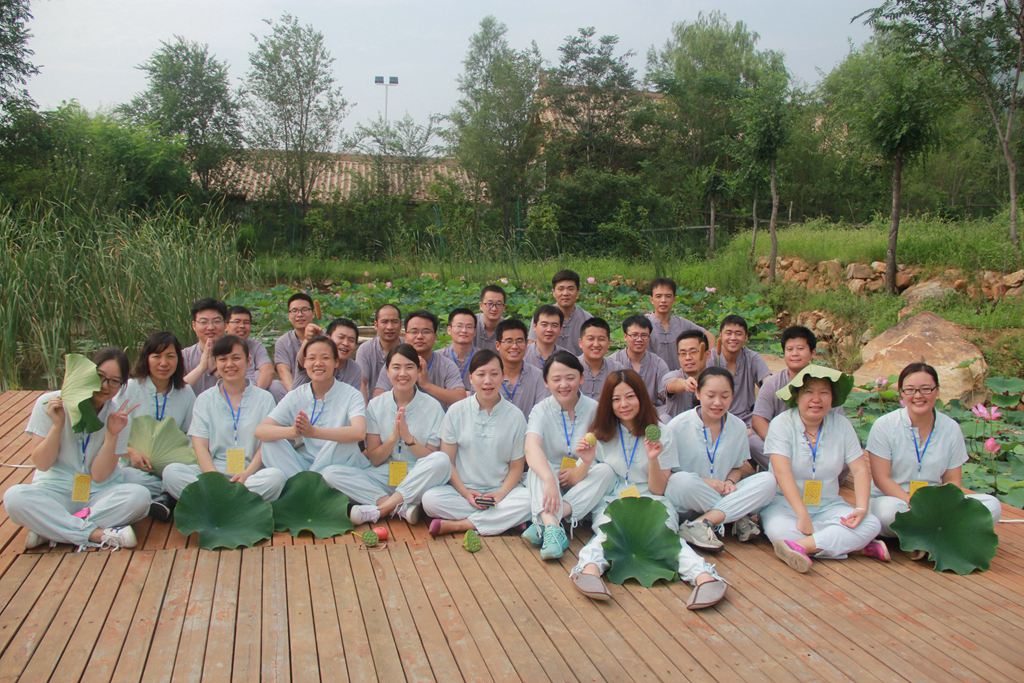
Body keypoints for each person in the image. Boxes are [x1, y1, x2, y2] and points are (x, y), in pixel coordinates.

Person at [568, 370, 728, 610]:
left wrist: (653, 458)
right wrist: (587, 460)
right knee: (609, 532)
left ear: (641, 397)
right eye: (616, 399)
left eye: (630, 396)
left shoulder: (661, 432)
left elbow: (659, 488)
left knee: (663, 535)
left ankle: (704, 577)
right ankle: (589, 569)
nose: (623, 404)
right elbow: (575, 479)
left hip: (652, 499)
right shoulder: (600, 434)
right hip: (613, 500)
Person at [5, 348, 148, 550]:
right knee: (14, 498)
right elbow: (42, 464)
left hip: (97, 492)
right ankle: (97, 534)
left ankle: (50, 528)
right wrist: (57, 425)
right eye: (100, 376)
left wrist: (112, 435)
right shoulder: (49, 403)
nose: (104, 386)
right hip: (55, 488)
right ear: (87, 372)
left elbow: (99, 475)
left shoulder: (118, 416)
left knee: (140, 497)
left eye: (114, 381)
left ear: (122, 385)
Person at [762, 366, 888, 573]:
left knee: (871, 523)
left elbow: (859, 470)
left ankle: (802, 547)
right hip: (786, 505)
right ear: (797, 396)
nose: (816, 399)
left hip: (828, 505)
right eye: (809, 392)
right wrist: (802, 514)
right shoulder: (781, 424)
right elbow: (782, 473)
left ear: (832, 398)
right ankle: (853, 546)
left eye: (824, 392)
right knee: (780, 532)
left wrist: (861, 508)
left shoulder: (842, 425)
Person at [867, 362, 1002, 546]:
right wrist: (912, 502)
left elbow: (952, 480)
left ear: (937, 391)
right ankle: (940, 535)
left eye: (926, 389)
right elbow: (882, 479)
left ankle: (922, 538)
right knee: (887, 514)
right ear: (901, 393)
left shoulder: (951, 428)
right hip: (896, 500)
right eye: (910, 390)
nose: (918, 396)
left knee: (991, 505)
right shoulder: (884, 425)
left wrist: (939, 507)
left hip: (936, 504)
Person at [421, 350, 532, 537]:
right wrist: (466, 493)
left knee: (529, 500)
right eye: (481, 374)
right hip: (462, 491)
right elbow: (448, 462)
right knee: (430, 500)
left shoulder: (515, 416)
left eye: (494, 374)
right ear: (471, 378)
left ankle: (460, 525)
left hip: (501, 492)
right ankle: (505, 521)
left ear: (503, 376)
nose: (487, 381)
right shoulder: (456, 411)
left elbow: (516, 467)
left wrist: (500, 495)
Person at [664, 368, 776, 550]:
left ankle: (701, 523)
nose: (717, 402)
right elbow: (668, 473)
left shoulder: (738, 426)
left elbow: (738, 467)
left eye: (725, 396)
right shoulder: (677, 425)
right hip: (689, 496)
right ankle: (737, 517)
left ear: (732, 396)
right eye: (710, 395)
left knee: (768, 480)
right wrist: (705, 482)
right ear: (698, 394)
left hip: (725, 491)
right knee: (680, 481)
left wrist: (730, 482)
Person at [163, 336, 286, 502]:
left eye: (236, 358)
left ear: (248, 360)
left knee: (275, 478)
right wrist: (215, 479)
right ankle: (240, 503)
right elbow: (200, 445)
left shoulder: (264, 399)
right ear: (215, 363)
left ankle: (215, 503)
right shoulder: (205, 399)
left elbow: (265, 445)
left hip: (249, 476)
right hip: (211, 473)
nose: (229, 364)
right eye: (223, 359)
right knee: (172, 473)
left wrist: (246, 473)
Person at [522, 351, 616, 560]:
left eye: (570, 378)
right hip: (551, 478)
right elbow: (531, 447)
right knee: (538, 468)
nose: (564, 384)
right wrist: (549, 479)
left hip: (584, 474)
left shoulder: (595, 409)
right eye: (556, 379)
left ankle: (546, 522)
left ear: (581, 378)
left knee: (606, 471)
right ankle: (554, 529)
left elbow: (600, 454)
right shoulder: (540, 410)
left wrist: (579, 471)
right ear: (546, 382)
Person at [344, 344, 452, 525]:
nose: (402, 373)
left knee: (441, 460)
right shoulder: (376, 405)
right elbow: (375, 459)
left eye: (409, 367)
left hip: (418, 474)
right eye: (396, 367)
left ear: (418, 371)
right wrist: (393, 438)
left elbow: (430, 458)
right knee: (332, 474)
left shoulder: (433, 407)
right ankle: (399, 507)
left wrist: (408, 438)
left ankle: (380, 510)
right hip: (385, 473)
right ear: (387, 372)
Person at [255, 335, 366, 482]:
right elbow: (261, 430)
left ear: (336, 362)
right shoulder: (297, 395)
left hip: (336, 463)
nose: (318, 363)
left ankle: (304, 484)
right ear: (305, 363)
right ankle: (307, 483)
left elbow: (359, 432)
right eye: (312, 358)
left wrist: (313, 432)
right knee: (270, 442)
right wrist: (293, 431)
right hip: (302, 464)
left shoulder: (351, 394)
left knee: (342, 443)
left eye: (325, 358)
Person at [120, 331, 196, 521]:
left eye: (170, 356)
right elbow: (109, 432)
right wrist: (130, 452)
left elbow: (192, 434)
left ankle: (165, 494)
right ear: (146, 358)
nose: (164, 363)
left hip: (173, 466)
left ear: (178, 359)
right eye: (157, 356)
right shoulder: (129, 388)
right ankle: (169, 495)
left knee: (177, 474)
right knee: (124, 476)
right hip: (136, 467)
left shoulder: (186, 392)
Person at [751, 326, 820, 469]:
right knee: (751, 441)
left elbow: (837, 420)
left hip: (817, 445)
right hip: (781, 446)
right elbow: (758, 420)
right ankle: (785, 470)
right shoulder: (772, 383)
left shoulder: (826, 382)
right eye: (789, 349)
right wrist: (779, 444)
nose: (795, 353)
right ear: (784, 353)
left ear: (812, 352)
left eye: (800, 349)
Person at [373, 310, 465, 409]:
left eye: (426, 332)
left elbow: (460, 398)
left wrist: (426, 385)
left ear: (435, 336)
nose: (420, 336)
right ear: (405, 336)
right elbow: (378, 397)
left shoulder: (446, 365)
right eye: (414, 331)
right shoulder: (395, 363)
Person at [708, 315, 771, 425]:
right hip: (715, 418)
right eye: (728, 333)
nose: (733, 338)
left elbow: (768, 382)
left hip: (746, 420)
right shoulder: (710, 357)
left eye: (738, 334)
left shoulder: (752, 358)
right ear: (720, 335)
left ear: (746, 337)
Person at [646, 278, 713, 371]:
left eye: (668, 296)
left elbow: (709, 336)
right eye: (658, 296)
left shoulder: (682, 323)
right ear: (651, 299)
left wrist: (705, 361)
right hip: (654, 377)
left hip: (683, 377)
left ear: (674, 299)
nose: (663, 300)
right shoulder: (644, 325)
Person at [293, 318, 366, 401]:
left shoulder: (355, 369)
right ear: (328, 338)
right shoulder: (315, 360)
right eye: (341, 337)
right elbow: (302, 359)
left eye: (351, 340)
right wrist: (307, 339)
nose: (345, 343)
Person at [529, 270, 593, 355]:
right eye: (561, 289)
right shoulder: (542, 316)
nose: (565, 293)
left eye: (570, 289)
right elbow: (531, 346)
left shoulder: (588, 319)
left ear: (577, 292)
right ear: (553, 292)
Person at [495, 319, 548, 419]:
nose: (514, 346)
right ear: (498, 345)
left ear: (527, 344)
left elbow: (542, 414)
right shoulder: (488, 376)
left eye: (519, 341)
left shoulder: (538, 376)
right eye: (509, 341)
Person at [225, 305, 282, 400]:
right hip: (227, 391)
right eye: (237, 322)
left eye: (246, 322)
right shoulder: (219, 347)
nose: (242, 326)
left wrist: (254, 397)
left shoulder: (255, 346)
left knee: (275, 385)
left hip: (253, 391)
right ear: (226, 326)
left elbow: (268, 370)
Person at [610, 315, 669, 406]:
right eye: (634, 335)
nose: (639, 339)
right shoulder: (612, 362)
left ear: (649, 338)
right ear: (625, 336)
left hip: (650, 410)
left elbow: (666, 394)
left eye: (644, 335)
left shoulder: (658, 364)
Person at [658, 330, 710, 420]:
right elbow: (670, 385)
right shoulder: (672, 376)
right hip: (677, 427)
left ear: (707, 354)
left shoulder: (715, 378)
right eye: (683, 353)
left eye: (693, 352)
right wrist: (685, 384)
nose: (688, 357)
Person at [182, 297, 228, 395]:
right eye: (203, 322)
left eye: (216, 321)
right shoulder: (184, 356)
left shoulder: (237, 354)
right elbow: (174, 392)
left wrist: (216, 371)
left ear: (225, 324)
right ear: (194, 326)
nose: (210, 327)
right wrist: (201, 367)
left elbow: (246, 390)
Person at [356, 303, 404, 393]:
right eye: (384, 322)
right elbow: (362, 383)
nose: (390, 327)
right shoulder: (365, 350)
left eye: (394, 322)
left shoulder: (408, 348)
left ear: (400, 324)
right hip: (373, 401)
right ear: (376, 325)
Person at [274, 292, 316, 393]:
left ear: (313, 314)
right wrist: (294, 396)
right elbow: (283, 370)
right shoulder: (282, 342)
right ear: (289, 316)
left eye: (304, 310)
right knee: (274, 386)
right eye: (294, 311)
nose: (300, 314)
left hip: (319, 387)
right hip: (293, 388)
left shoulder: (324, 338)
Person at [577, 317, 622, 401]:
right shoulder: (570, 367)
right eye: (590, 339)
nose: (596, 344)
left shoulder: (617, 369)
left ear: (609, 343)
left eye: (601, 339)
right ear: (580, 343)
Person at [444, 308, 478, 390]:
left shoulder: (484, 357)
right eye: (459, 326)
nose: (464, 330)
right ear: (449, 330)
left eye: (469, 327)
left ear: (475, 332)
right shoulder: (438, 357)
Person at [524, 304, 566, 370]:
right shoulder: (522, 354)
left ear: (560, 329)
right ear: (534, 326)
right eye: (544, 325)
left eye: (554, 325)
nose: (549, 329)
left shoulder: (567, 357)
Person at [475, 284, 507, 352]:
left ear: (504, 307)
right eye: (490, 304)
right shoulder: (470, 323)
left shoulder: (508, 329)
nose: (494, 309)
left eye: (498, 304)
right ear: (481, 306)